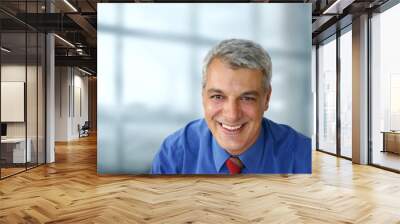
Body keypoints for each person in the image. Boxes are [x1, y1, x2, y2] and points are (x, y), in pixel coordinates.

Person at [151, 39, 311, 174]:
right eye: (218, 97)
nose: (232, 115)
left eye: (247, 98)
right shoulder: (174, 154)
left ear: (267, 98)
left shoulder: (303, 155)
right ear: (203, 96)